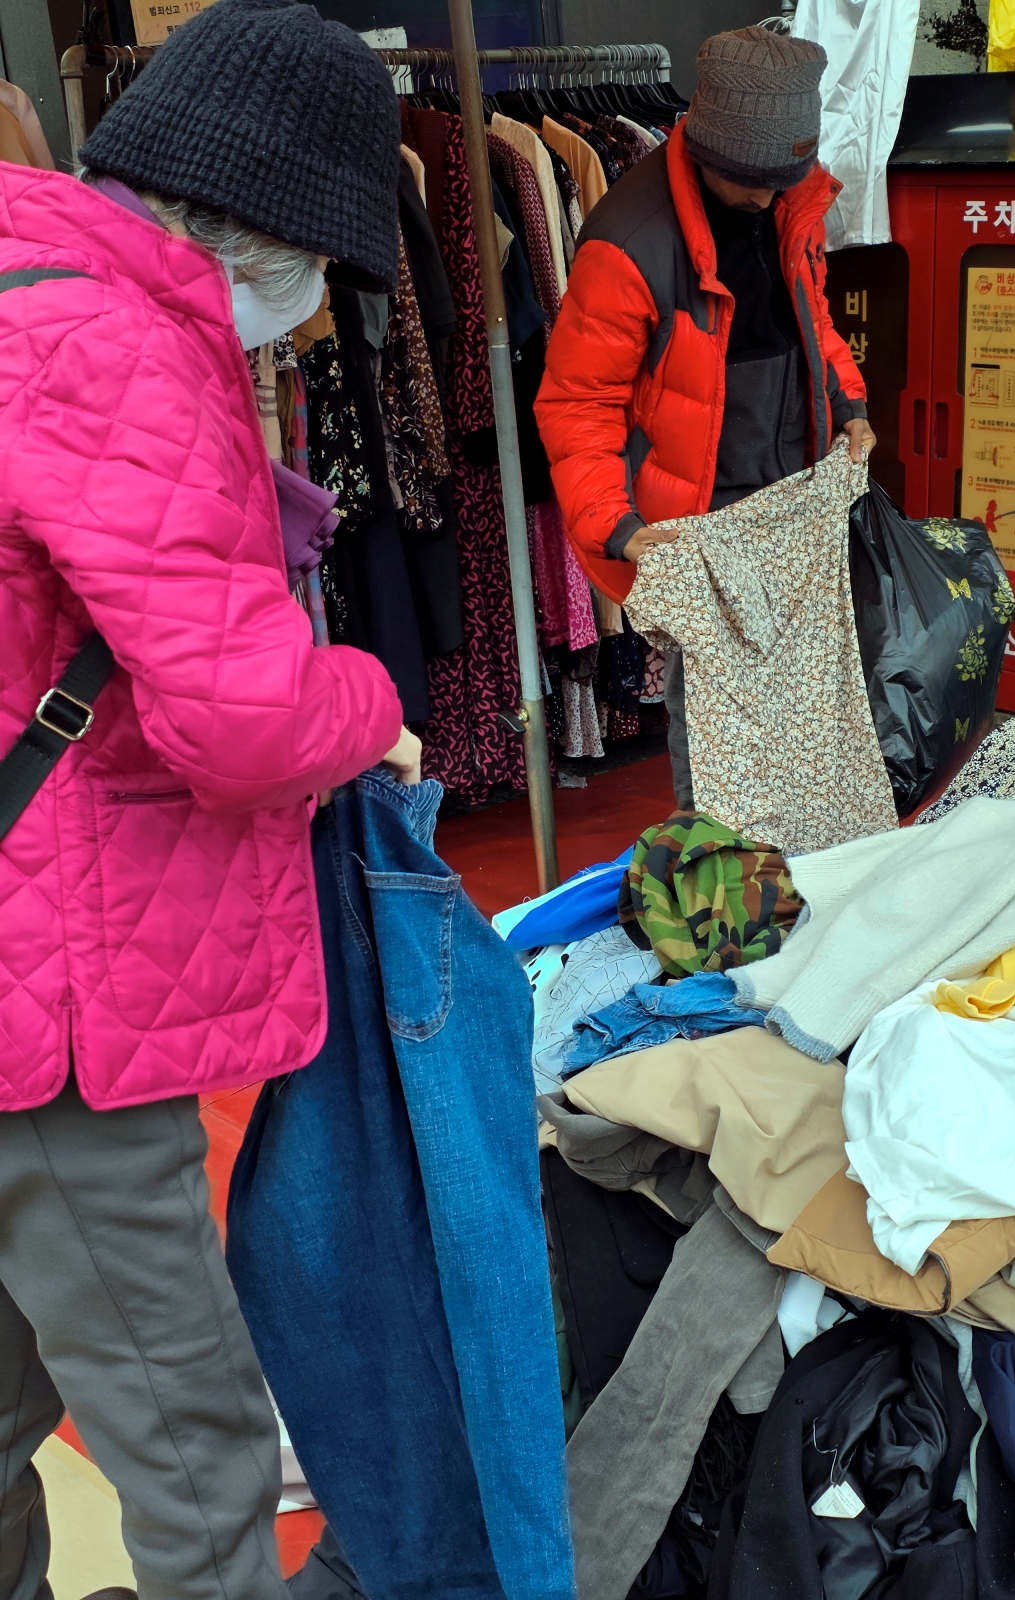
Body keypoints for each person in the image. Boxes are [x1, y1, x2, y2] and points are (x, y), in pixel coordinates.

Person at [0, 4, 419, 1599]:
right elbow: (242, 720)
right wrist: (368, 705)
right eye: (315, 266)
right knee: (193, 1442)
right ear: (247, 221)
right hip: (63, 997)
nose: (311, 314)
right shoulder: (113, 347)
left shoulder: (23, 285)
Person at [536, 25, 877, 809]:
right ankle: (729, 899)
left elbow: (812, 319)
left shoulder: (791, 196)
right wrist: (614, 527)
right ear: (708, 149)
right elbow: (575, 402)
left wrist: (850, 403)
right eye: (750, 181)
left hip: (794, 501)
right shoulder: (630, 241)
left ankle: (811, 877)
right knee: (723, 746)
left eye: (779, 178)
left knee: (814, 717)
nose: (764, 197)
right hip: (702, 523)